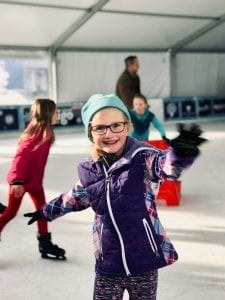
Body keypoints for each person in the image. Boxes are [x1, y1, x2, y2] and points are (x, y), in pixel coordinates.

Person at [24, 94, 207, 299]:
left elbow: (165, 168)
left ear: (127, 127)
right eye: (100, 127)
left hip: (144, 261)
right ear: (90, 133)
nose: (109, 133)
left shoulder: (143, 157)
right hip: (108, 264)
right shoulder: (89, 170)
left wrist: (179, 154)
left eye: (116, 125)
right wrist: (46, 211)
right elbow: (74, 197)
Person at [0, 98, 65, 260]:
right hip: (21, 182)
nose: (57, 115)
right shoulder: (34, 134)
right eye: (55, 112)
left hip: (35, 183)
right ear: (47, 114)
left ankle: (45, 243)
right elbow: (20, 157)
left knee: (42, 212)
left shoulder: (46, 133)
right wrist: (17, 181)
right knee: (10, 213)